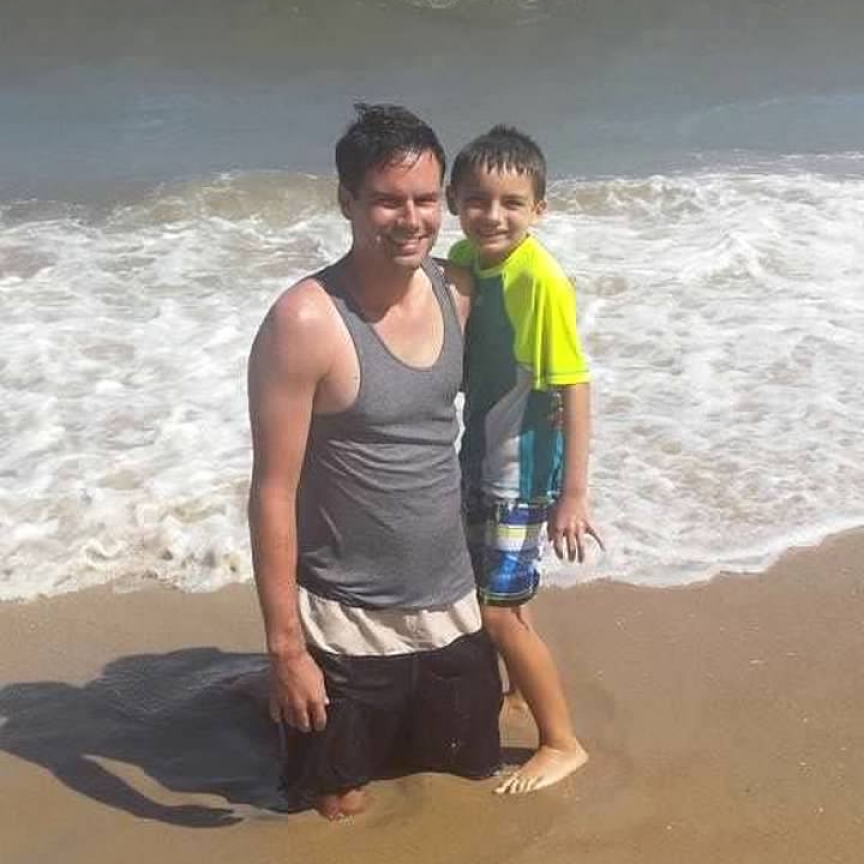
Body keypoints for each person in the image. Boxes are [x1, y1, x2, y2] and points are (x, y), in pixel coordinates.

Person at [247, 104, 502, 820]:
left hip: (450, 608)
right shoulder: (305, 322)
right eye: (388, 201)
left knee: (472, 773)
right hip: (344, 620)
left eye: (425, 199)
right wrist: (286, 652)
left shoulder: (459, 292)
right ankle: (264, 686)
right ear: (347, 201)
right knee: (337, 806)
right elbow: (271, 493)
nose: (411, 219)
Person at [447, 125, 603, 795]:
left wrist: (572, 495)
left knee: (497, 614)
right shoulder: (466, 257)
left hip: (521, 470)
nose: (493, 215)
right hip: (482, 454)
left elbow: (574, 384)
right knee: (502, 593)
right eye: (477, 200)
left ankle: (562, 742)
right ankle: (515, 691)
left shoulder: (540, 279)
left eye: (513, 203)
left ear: (540, 208)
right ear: (453, 201)